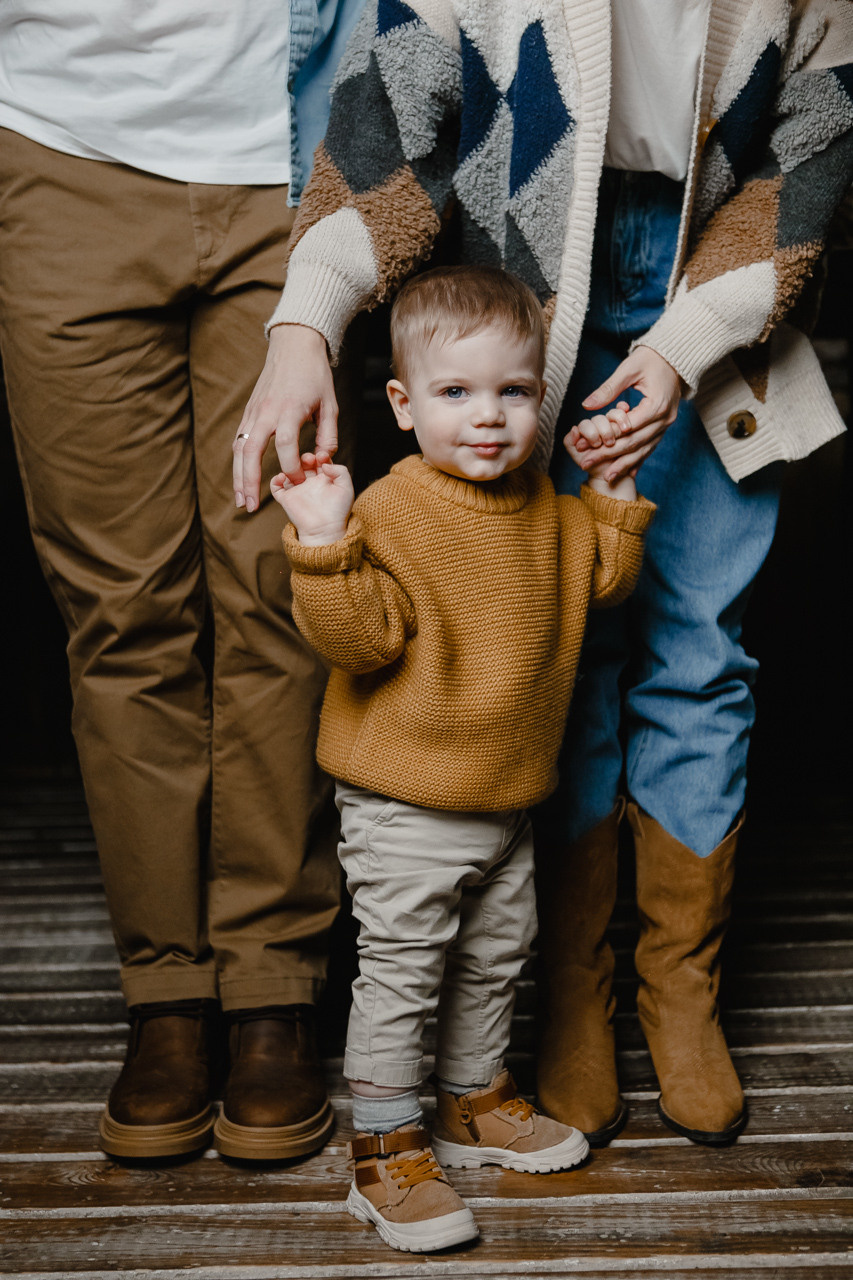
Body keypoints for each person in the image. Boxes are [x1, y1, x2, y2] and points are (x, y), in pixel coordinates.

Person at [233, 0, 853, 1149]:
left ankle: (682, 996)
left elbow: (815, 146)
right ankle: (574, 997)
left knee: (703, 652)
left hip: (719, 282)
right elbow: (391, 113)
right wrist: (305, 319)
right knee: (561, 644)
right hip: (519, 297)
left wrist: (681, 343)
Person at [0, 0, 365, 1161]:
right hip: (54, 156)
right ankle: (166, 991)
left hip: (293, 173)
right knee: (124, 616)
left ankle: (273, 988)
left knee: (278, 592)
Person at [274, 264, 655, 1252]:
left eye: (512, 391)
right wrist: (323, 542)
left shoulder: (549, 509)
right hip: (403, 801)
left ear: (541, 396)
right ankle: (384, 1147)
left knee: (494, 955)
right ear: (401, 404)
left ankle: (468, 1097)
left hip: (505, 799)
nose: (485, 417)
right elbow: (360, 642)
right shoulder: (393, 514)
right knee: (403, 972)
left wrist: (609, 487)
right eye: (454, 392)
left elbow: (603, 577)